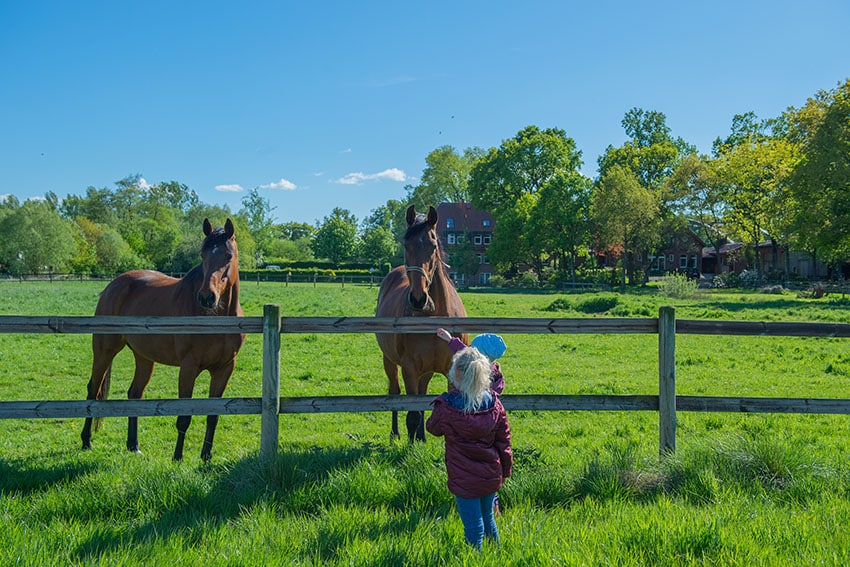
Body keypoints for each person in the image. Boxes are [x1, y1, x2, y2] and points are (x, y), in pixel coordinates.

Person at [426, 334, 513, 551]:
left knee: (474, 527)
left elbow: (432, 428)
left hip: (463, 478)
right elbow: (504, 442)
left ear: (455, 374)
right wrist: (506, 470)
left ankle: (476, 558)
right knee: (488, 519)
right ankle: (496, 554)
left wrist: (441, 401)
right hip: (491, 474)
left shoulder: (447, 406)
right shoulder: (495, 404)